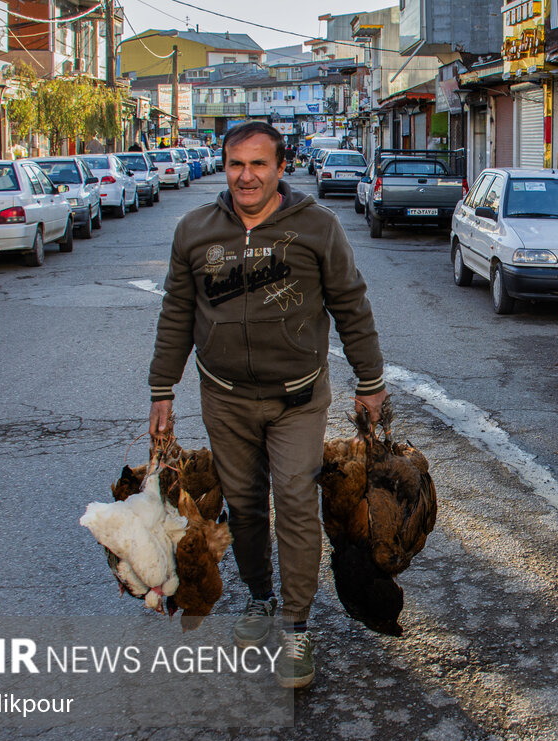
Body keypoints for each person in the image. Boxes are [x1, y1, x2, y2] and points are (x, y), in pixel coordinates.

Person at [148, 121, 387, 689]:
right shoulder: (195, 230)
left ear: (281, 167)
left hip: (298, 398)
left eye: (259, 164)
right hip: (224, 398)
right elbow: (176, 311)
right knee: (247, 507)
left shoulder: (317, 228)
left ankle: (296, 625)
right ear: (223, 165)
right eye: (236, 164)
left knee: (297, 501)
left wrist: (371, 379)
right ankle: (258, 597)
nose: (246, 176)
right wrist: (162, 388)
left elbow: (351, 304)